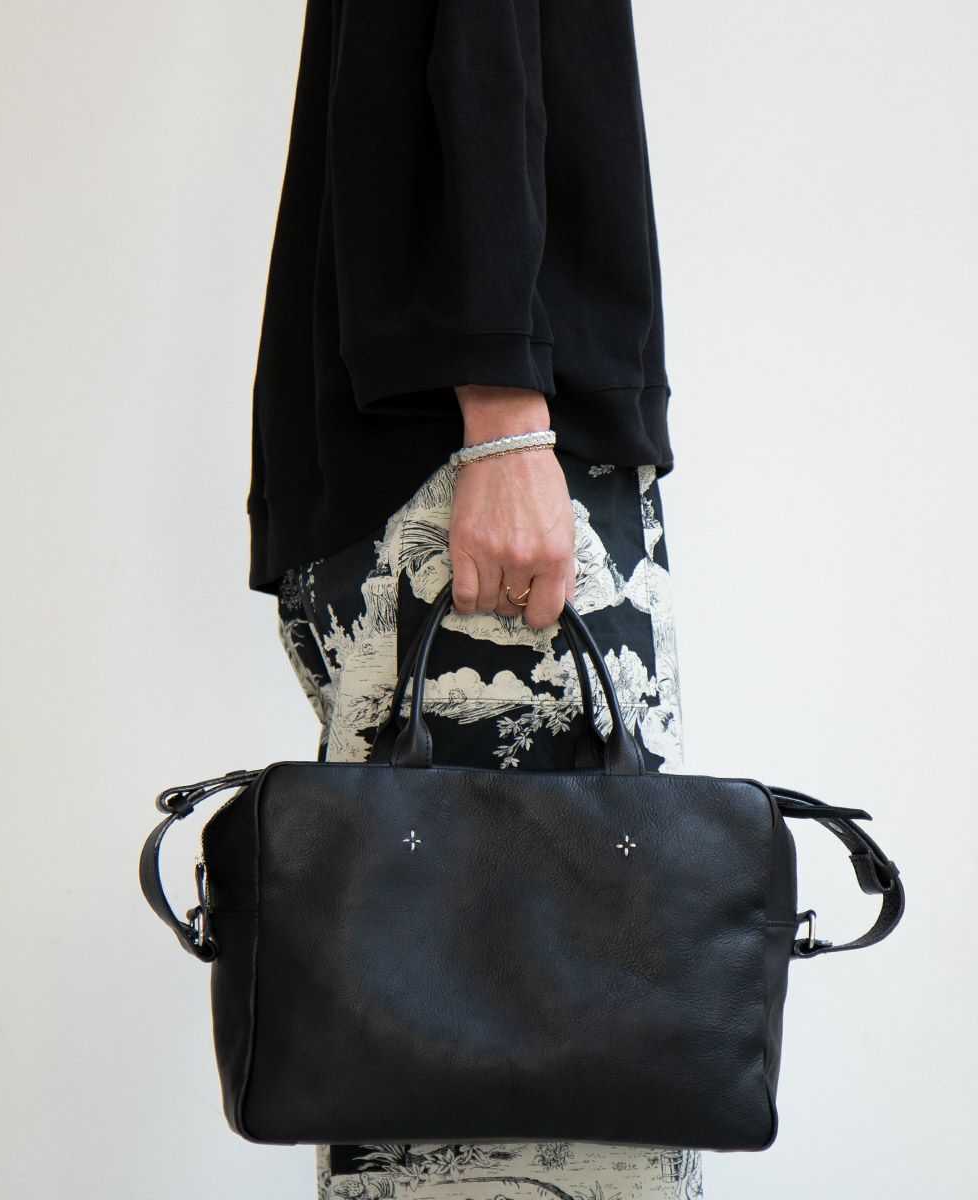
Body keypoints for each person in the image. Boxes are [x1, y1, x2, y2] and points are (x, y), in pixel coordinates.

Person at [250, 3, 701, 1198]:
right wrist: (505, 417)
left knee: (445, 1084)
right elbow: (476, 52)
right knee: (556, 1119)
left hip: (443, 455)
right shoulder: (499, 443)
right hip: (481, 461)